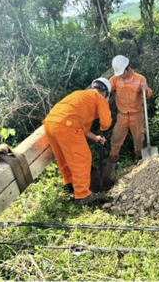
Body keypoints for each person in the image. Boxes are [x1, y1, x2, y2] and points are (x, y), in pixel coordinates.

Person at [43, 78, 112, 206]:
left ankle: (70, 185)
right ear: (105, 92)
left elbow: (82, 127)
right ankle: (82, 195)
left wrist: (95, 138)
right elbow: (106, 122)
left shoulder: (81, 95)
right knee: (82, 158)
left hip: (50, 124)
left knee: (65, 157)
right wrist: (103, 127)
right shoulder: (99, 97)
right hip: (66, 126)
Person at [108, 55, 153, 163]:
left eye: (123, 72)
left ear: (128, 68)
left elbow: (149, 94)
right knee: (116, 138)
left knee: (139, 139)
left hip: (136, 115)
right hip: (122, 115)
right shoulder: (115, 79)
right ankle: (112, 159)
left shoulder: (140, 79)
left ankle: (140, 159)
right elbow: (107, 88)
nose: (121, 75)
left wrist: (146, 89)